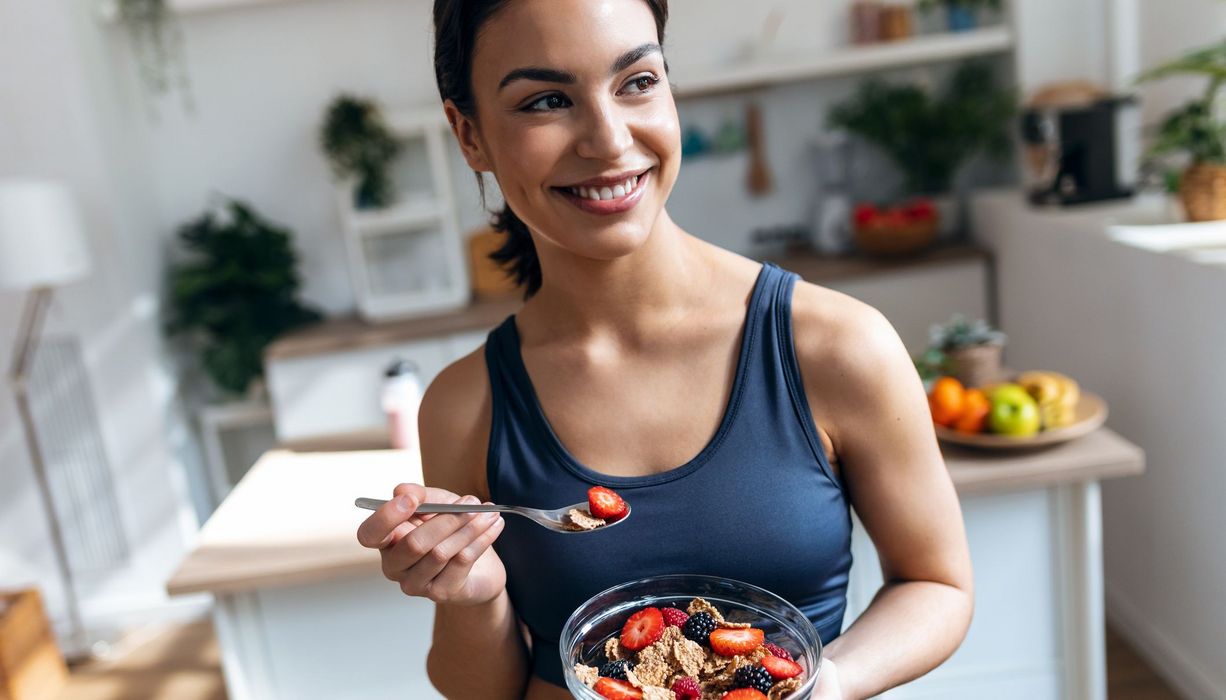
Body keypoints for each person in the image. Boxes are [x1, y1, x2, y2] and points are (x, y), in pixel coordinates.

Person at [356, 1, 974, 698]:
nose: (609, 139)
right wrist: (472, 597)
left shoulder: (835, 346)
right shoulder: (468, 403)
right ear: (470, 136)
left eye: (637, 82)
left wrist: (827, 684)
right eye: (548, 101)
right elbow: (483, 689)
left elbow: (937, 583)